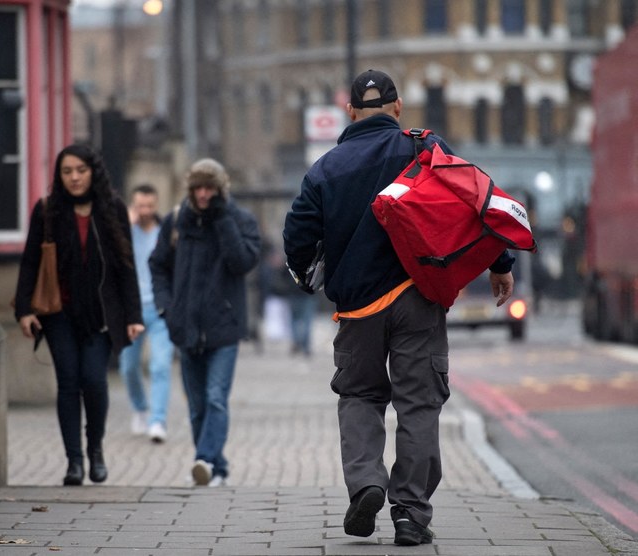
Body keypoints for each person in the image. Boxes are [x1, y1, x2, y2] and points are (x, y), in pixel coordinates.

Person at [282, 70, 515, 546]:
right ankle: (409, 512)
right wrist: (500, 262)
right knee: (418, 404)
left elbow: (297, 233)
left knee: (360, 396)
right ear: (398, 107)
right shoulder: (422, 148)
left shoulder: (326, 168)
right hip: (418, 298)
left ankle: (366, 482)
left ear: (349, 112)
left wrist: (306, 274)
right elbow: (471, 200)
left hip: (358, 308)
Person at [14, 144, 144, 486]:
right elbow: (29, 262)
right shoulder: (47, 211)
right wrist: (24, 309)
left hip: (102, 316)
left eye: (81, 170)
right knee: (68, 383)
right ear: (59, 175)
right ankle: (74, 462)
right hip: (59, 315)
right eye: (67, 171)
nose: (74, 177)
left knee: (95, 381)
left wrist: (133, 314)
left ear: (93, 172)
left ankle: (95, 450)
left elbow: (126, 265)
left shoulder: (113, 208)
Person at [149, 158, 261, 487]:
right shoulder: (176, 221)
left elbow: (242, 262)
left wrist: (222, 220)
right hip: (185, 327)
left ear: (220, 189)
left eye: (209, 188)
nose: (202, 194)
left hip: (223, 327)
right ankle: (217, 467)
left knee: (215, 398)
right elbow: (157, 266)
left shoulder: (239, 219)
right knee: (197, 406)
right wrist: (166, 308)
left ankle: (204, 460)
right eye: (197, 187)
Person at [119, 184, 175, 442]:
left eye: (150, 206)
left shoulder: (166, 233)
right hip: (131, 310)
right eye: (140, 206)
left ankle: (158, 421)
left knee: (160, 365)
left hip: (160, 309)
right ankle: (141, 408)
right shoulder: (124, 232)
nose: (145, 211)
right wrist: (124, 226)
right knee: (128, 367)